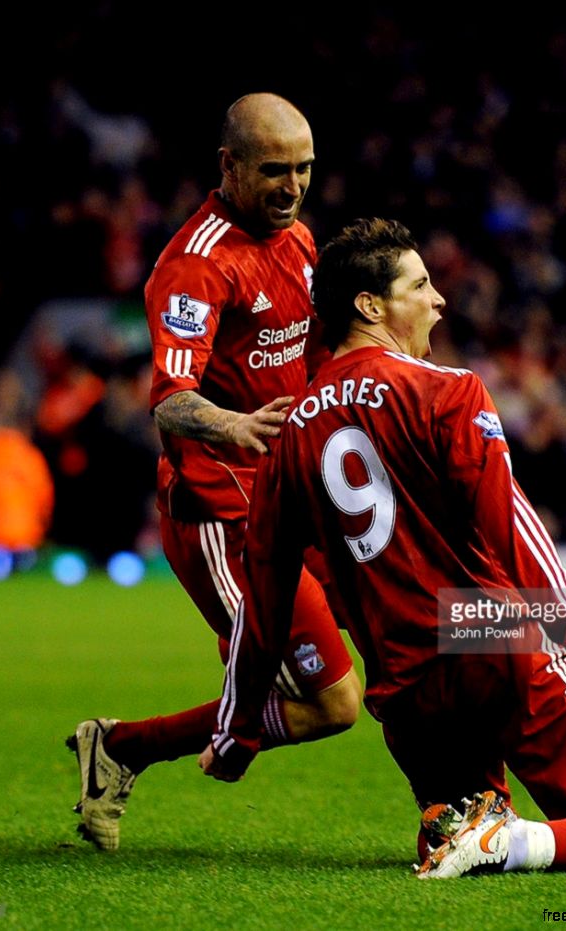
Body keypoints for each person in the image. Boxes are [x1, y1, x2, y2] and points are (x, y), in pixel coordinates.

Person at [201, 218, 566, 877]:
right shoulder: (447, 390)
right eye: (420, 285)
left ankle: (478, 829)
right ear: (369, 306)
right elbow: (508, 529)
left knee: (463, 836)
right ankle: (509, 840)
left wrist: (237, 733)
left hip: (405, 692)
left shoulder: (290, 438)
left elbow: (263, 606)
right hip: (493, 647)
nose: (439, 300)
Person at [68, 94, 361, 850]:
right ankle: (124, 745)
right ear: (227, 166)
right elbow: (169, 400)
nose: (292, 186)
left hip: (301, 495)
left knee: (405, 634)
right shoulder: (195, 265)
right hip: (223, 514)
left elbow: (314, 350)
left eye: (302, 169)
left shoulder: (296, 238)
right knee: (333, 705)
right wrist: (238, 426)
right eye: (273, 170)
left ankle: (465, 799)